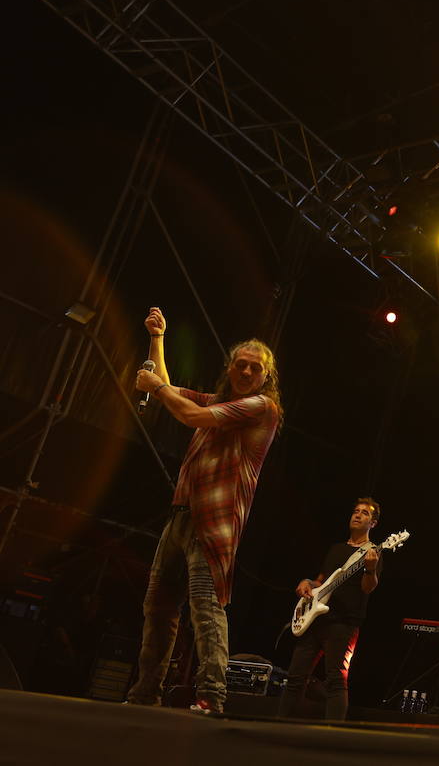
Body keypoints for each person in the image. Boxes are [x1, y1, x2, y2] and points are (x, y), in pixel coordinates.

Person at [126, 307, 282, 714]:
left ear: (266, 377)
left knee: (205, 610)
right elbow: (171, 390)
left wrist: (157, 389)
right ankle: (145, 693)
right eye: (241, 365)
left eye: (255, 368)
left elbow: (186, 411)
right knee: (158, 608)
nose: (247, 372)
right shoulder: (221, 401)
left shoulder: (262, 408)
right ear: (230, 368)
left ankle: (212, 695)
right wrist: (158, 338)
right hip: (181, 516)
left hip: (215, 525)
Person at [278, 498, 383, 721]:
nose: (357, 515)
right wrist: (308, 582)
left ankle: (333, 733)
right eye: (355, 511)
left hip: (344, 623)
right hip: (316, 619)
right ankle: (279, 725)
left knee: (335, 678)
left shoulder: (372, 552)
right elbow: (321, 581)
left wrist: (370, 570)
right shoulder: (336, 549)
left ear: (373, 523)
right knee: (296, 677)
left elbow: (368, 588)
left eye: (365, 513)